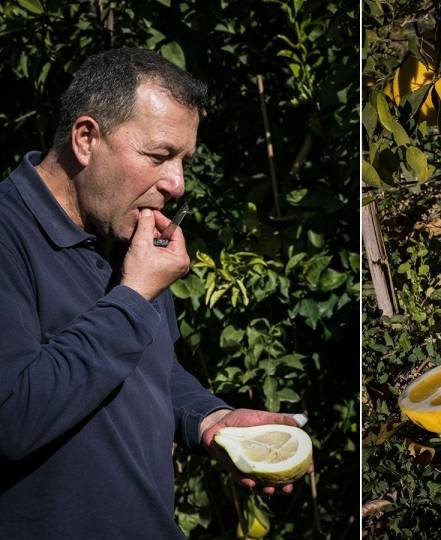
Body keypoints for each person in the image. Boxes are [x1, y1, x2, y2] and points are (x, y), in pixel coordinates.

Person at [0, 48, 307, 539]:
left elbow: (152, 369)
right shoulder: (9, 235)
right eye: (160, 156)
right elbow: (11, 417)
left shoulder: (127, 238)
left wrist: (209, 417)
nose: (177, 184)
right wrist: (134, 295)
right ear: (86, 138)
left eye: (184, 161)